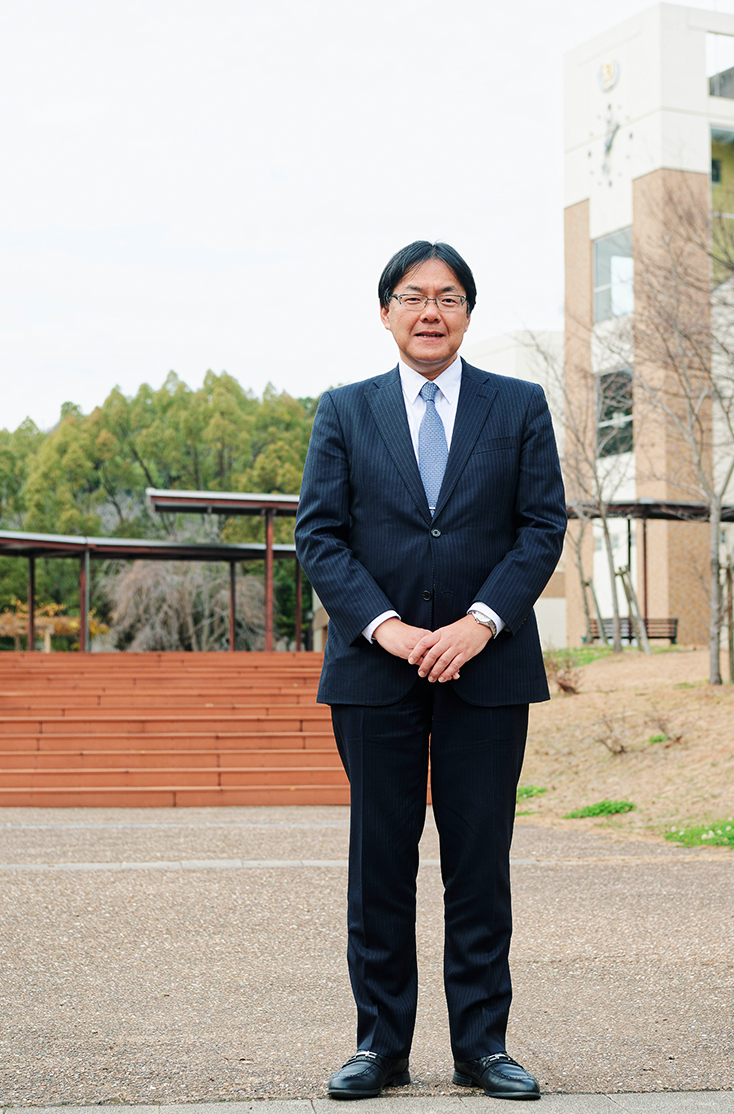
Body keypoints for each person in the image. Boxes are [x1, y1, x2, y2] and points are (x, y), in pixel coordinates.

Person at [294, 241, 566, 1101]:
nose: (430, 312)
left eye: (448, 298)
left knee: (478, 864)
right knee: (380, 863)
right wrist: (390, 629)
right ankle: (380, 1047)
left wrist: (480, 623)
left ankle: (482, 1047)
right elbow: (319, 535)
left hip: (488, 670)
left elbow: (542, 528)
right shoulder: (345, 410)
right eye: (413, 297)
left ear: (468, 314)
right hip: (374, 672)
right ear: (385, 313)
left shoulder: (518, 406)